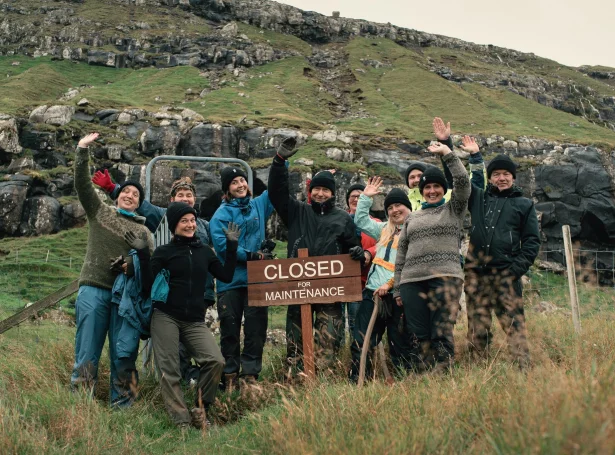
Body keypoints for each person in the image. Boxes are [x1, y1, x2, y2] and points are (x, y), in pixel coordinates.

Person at [92, 172, 214, 384]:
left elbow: (213, 256)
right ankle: (179, 383)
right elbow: (140, 205)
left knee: (194, 341)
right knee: (173, 344)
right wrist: (113, 188)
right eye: (181, 195)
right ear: (171, 200)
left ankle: (195, 380)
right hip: (171, 294)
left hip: (199, 294)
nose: (185, 198)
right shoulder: (164, 216)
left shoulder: (203, 226)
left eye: (189, 195)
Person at [136, 202, 238, 428]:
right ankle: (181, 420)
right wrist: (144, 255)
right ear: (174, 226)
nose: (190, 224)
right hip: (165, 316)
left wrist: (231, 247)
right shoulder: (164, 252)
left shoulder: (205, 252)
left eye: (192, 220)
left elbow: (226, 275)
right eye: (184, 221)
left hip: (194, 320)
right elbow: (147, 287)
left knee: (215, 360)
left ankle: (200, 409)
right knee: (169, 370)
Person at [268, 138, 366, 372]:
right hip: (298, 287)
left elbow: (355, 247)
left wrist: (358, 252)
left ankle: (322, 385)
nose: (320, 193)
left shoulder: (343, 218)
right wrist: (279, 162)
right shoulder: (296, 211)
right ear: (310, 191)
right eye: (317, 189)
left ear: (332, 193)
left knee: (328, 342)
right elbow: (276, 193)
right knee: (295, 342)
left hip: (330, 291)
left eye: (325, 189)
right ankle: (294, 380)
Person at [71, 133, 153, 407]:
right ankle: (81, 406)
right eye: (127, 191)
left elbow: (150, 267)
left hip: (126, 299)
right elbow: (82, 185)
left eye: (136, 194)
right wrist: (82, 150)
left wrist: (132, 266)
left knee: (124, 354)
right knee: (87, 352)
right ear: (118, 196)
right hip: (94, 289)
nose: (131, 195)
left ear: (139, 203)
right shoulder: (100, 212)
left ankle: (124, 409)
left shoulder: (144, 231)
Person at [394, 141, 470, 373]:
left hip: (445, 278)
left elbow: (463, 182)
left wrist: (447, 153)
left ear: (444, 189)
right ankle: (423, 379)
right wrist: (398, 288)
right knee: (419, 335)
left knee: (442, 331)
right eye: (427, 188)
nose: (432, 191)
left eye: (437, 186)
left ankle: (444, 378)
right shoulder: (412, 218)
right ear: (421, 191)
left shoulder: (454, 209)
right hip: (411, 283)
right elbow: (401, 254)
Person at [464, 153, 540, 368]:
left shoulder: (524, 204)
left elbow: (532, 242)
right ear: (490, 178)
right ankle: (478, 370)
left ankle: (523, 372)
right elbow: (459, 180)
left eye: (506, 173)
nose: (502, 178)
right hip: (476, 277)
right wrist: (447, 147)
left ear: (513, 178)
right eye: (496, 174)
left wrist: (514, 271)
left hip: (506, 276)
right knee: (477, 329)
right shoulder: (478, 199)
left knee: (514, 327)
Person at [209, 166, 275, 389]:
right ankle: (229, 377)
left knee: (256, 330)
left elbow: (276, 189)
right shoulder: (220, 216)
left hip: (258, 279)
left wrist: (280, 162)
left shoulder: (258, 205)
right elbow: (223, 248)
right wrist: (253, 256)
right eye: (234, 182)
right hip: (230, 281)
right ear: (227, 188)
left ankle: (250, 377)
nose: (240, 185)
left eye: (242, 180)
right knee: (229, 330)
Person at [349, 178, 413, 382]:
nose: (395, 210)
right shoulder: (384, 229)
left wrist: (391, 284)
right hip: (372, 293)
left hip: (398, 295)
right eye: (390, 207)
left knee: (399, 342)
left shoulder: (416, 231)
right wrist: (366, 198)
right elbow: (361, 221)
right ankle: (359, 380)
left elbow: (411, 265)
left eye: (399, 205)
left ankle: (406, 382)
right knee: (362, 340)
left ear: (408, 207)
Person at [342, 184, 377, 345]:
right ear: (347, 201)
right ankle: (339, 360)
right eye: (352, 196)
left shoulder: (376, 223)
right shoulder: (338, 221)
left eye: (360, 196)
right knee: (338, 325)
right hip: (340, 283)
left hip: (364, 284)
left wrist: (369, 252)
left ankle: (356, 359)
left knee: (358, 325)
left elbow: (386, 243)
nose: (356, 199)